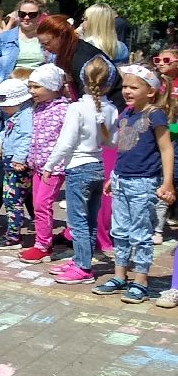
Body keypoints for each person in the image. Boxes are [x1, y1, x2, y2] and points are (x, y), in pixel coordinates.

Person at [95, 65, 174, 303]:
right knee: (119, 231)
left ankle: (141, 281)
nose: (127, 91)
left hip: (144, 182)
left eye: (134, 87)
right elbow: (119, 148)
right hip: (121, 180)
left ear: (150, 91)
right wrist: (113, 175)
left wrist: (167, 183)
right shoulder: (126, 114)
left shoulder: (154, 114)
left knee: (140, 234)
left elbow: (166, 149)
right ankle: (120, 276)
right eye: (125, 86)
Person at [46, 59, 118, 284]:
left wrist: (50, 165)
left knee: (77, 221)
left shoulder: (76, 108)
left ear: (82, 80)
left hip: (78, 168)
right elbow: (112, 141)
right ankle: (81, 258)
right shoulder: (112, 108)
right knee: (90, 220)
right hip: (98, 167)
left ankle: (83, 268)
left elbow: (66, 142)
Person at [20, 63, 72, 263]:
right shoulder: (38, 107)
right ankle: (47, 240)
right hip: (37, 166)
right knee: (37, 204)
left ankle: (43, 246)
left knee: (42, 205)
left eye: (36, 87)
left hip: (54, 168)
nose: (32, 91)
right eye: (30, 87)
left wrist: (54, 163)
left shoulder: (64, 110)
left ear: (52, 87)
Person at [0, 78, 35, 251]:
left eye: (5, 104)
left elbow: (26, 137)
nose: (2, 107)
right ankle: (15, 233)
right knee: (12, 199)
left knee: (13, 201)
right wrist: (0, 146)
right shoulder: (16, 115)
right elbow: (6, 134)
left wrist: (19, 158)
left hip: (18, 165)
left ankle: (13, 236)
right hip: (10, 162)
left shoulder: (26, 116)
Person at [37, 15, 116, 101]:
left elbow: (89, 95)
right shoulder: (68, 53)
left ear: (62, 37)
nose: (44, 48)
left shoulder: (82, 58)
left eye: (46, 44)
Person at [0, 0, 52, 85]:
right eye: (22, 14)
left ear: (39, 16)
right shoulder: (3, 38)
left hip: (40, 86)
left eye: (32, 15)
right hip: (11, 87)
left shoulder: (47, 38)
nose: (26, 17)